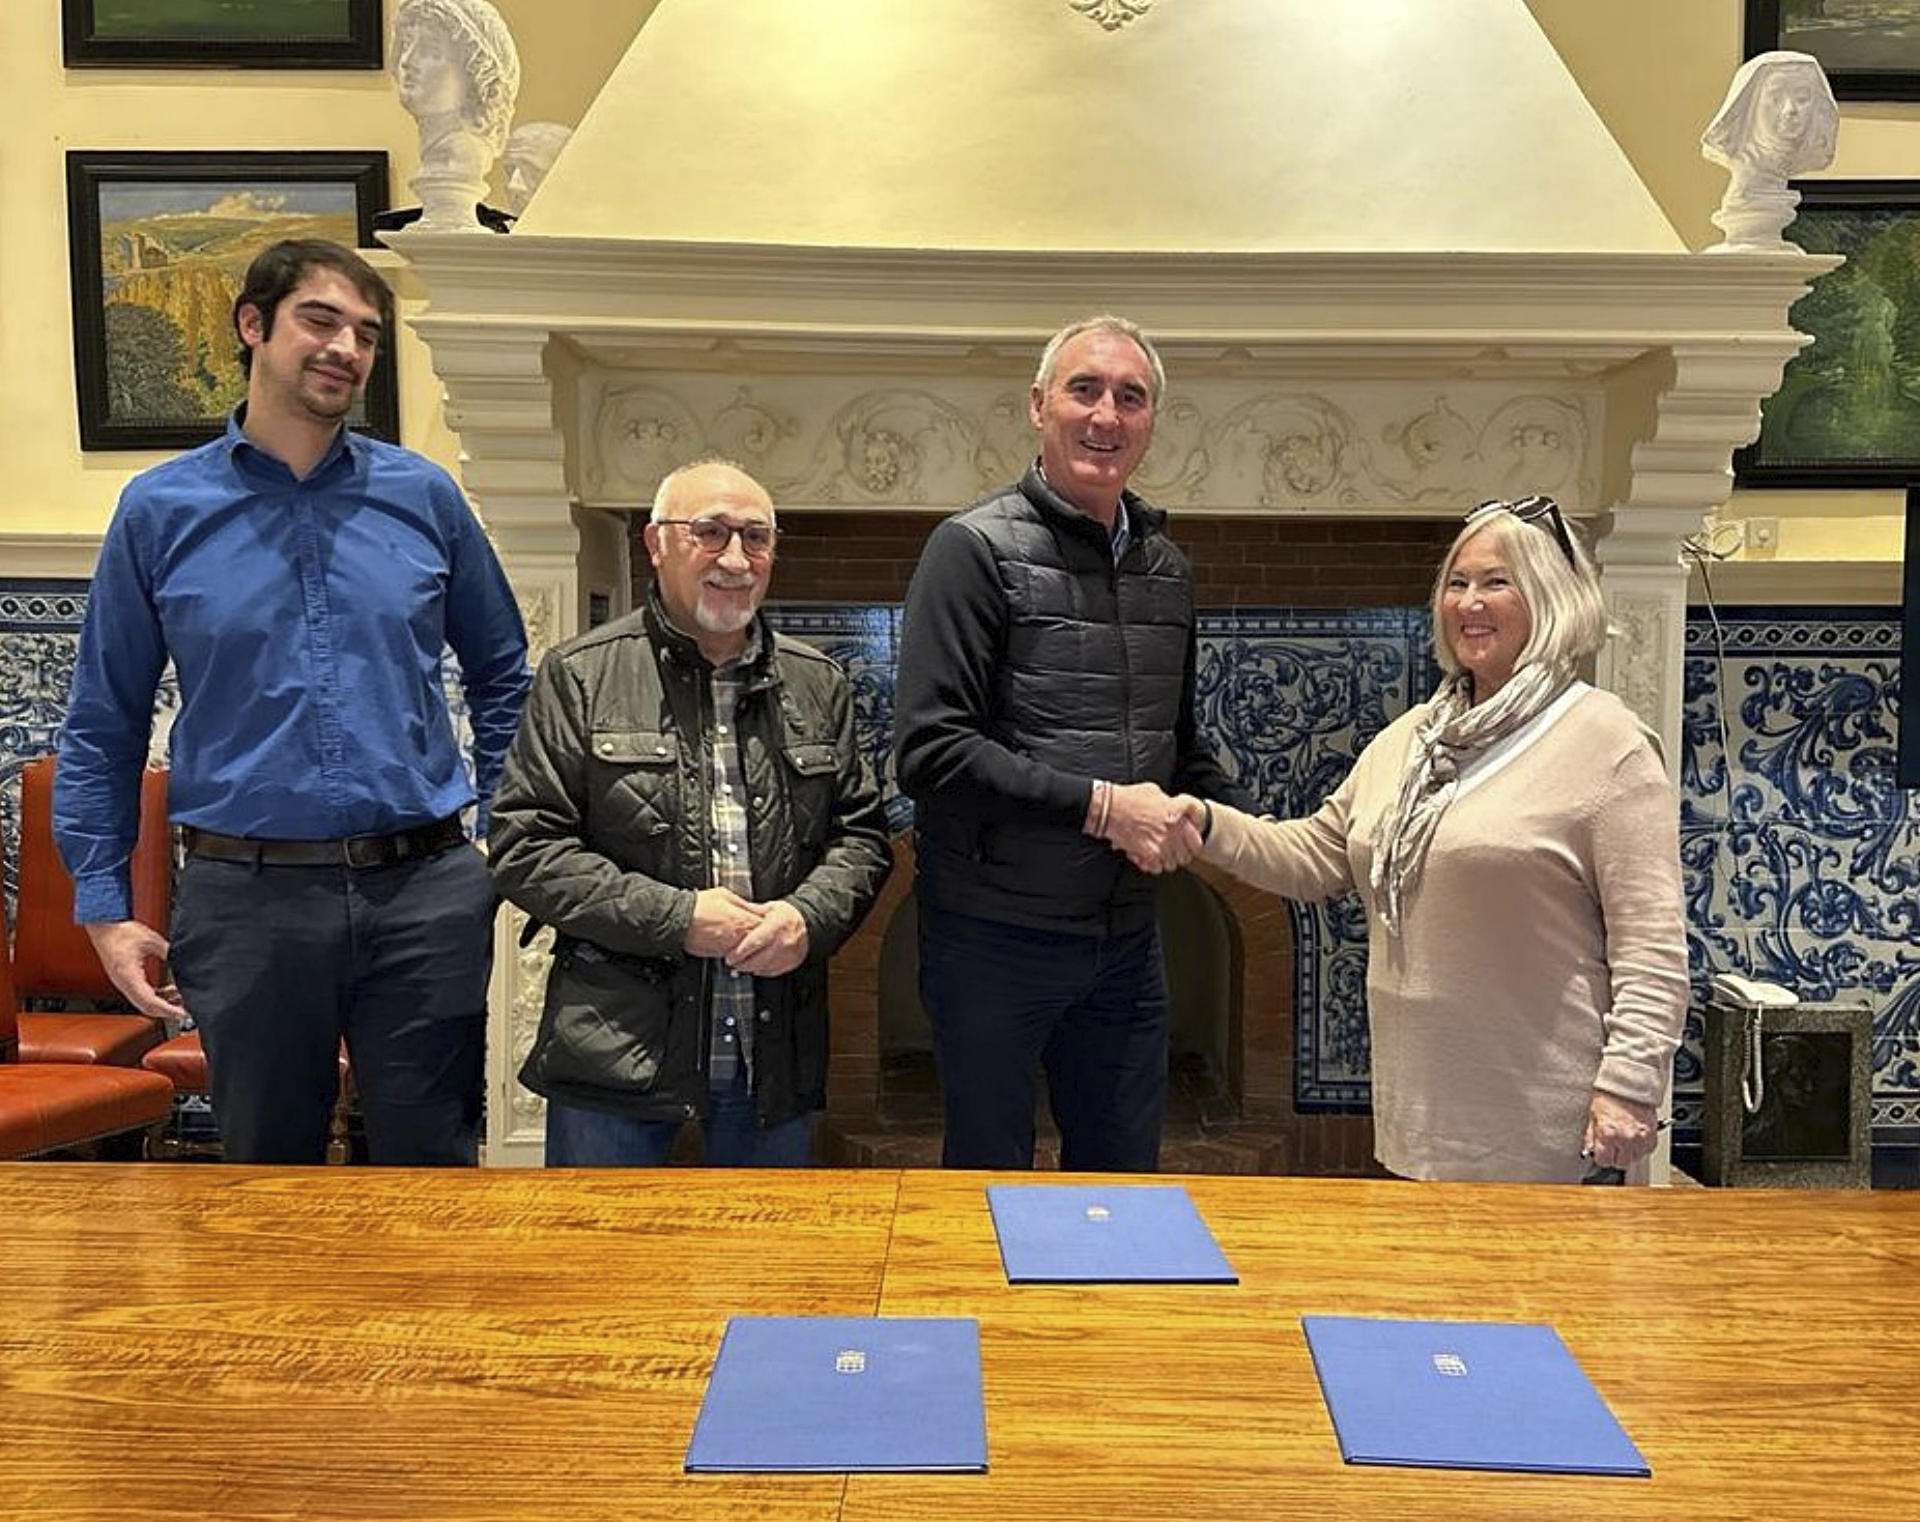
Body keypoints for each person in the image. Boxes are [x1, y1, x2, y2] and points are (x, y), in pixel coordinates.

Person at [55, 238, 530, 1166]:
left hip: (424, 896)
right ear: (252, 327)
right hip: (247, 900)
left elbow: (505, 674)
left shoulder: (424, 497)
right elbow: (102, 722)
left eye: (366, 334)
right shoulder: (160, 510)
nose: (346, 348)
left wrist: (501, 838)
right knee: (267, 1187)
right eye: (321, 320)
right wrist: (104, 906)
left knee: (433, 1169)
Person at [1172, 497, 1688, 1183]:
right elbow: (1315, 857)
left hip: (1546, 1134)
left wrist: (1628, 1085)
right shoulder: (1413, 739)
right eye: (1457, 582)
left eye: (1497, 582)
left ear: (1552, 597)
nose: (1469, 602)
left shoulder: (1606, 742)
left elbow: (1651, 941)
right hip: (1419, 1121)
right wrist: (1201, 823)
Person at [893, 314, 1248, 1173]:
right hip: (991, 940)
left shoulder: (1168, 567)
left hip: (1127, 939)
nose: (1107, 415)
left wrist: (1224, 815)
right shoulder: (971, 549)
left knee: (1124, 1186)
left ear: (1151, 423)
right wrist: (1102, 808)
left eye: (1132, 397)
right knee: (988, 1186)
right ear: (1038, 405)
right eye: (1085, 389)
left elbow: (1179, 739)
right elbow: (932, 752)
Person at [489, 460, 892, 1166]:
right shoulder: (581, 674)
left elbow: (860, 836)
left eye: (756, 538)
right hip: (614, 1053)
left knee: (762, 1263)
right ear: (655, 544)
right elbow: (527, 846)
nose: (736, 559)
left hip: (774, 1057)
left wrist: (809, 916)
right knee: (601, 1264)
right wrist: (679, 920)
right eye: (709, 532)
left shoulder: (818, 682)